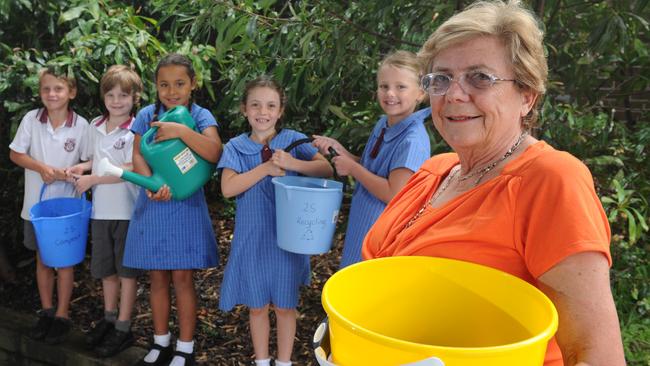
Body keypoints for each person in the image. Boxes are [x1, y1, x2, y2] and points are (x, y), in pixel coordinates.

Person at [361, 1, 626, 365]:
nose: (454, 94)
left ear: (527, 96)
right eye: (441, 78)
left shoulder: (550, 180)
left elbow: (597, 356)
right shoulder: (434, 171)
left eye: (480, 77)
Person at [218, 76, 333, 366]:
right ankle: (261, 360)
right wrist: (267, 168)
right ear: (244, 109)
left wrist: (292, 164)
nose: (263, 112)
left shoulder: (292, 141)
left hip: (287, 242)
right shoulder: (235, 147)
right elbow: (228, 188)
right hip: (252, 240)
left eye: (271, 105)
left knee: (284, 307)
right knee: (257, 307)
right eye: (255, 105)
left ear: (280, 111)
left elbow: (326, 168)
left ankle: (283, 361)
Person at [122, 53, 222, 366]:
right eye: (164, 84)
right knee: (157, 276)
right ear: (156, 86)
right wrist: (151, 185)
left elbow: (214, 152)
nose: (172, 90)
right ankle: (161, 341)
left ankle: (186, 347)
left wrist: (180, 132)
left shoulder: (200, 115)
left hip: (187, 205)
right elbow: (138, 154)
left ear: (193, 84)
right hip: (155, 203)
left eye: (179, 83)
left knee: (182, 277)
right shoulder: (147, 115)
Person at [312, 50, 431, 268]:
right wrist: (340, 150)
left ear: (421, 93)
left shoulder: (412, 140)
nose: (390, 93)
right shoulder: (384, 124)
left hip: (381, 234)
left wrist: (352, 169)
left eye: (401, 87)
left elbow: (393, 193)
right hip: (362, 224)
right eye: (384, 86)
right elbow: (370, 167)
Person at [65, 65, 143, 357]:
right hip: (100, 212)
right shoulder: (95, 126)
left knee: (126, 272)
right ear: (103, 97)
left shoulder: (136, 130)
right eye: (110, 94)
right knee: (106, 271)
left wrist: (93, 178)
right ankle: (109, 319)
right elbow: (95, 160)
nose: (116, 101)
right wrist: (80, 168)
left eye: (123, 95)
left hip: (126, 211)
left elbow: (130, 169)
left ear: (135, 97)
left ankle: (124, 327)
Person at [9, 66, 89, 344]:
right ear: (40, 92)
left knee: (64, 263)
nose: (52, 94)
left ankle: (62, 315)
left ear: (71, 92)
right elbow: (15, 153)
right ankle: (46, 310)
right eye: (46, 89)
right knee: (42, 260)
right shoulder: (32, 120)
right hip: (36, 207)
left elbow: (92, 160)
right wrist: (41, 167)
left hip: (67, 208)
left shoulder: (81, 125)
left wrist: (80, 167)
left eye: (58, 88)